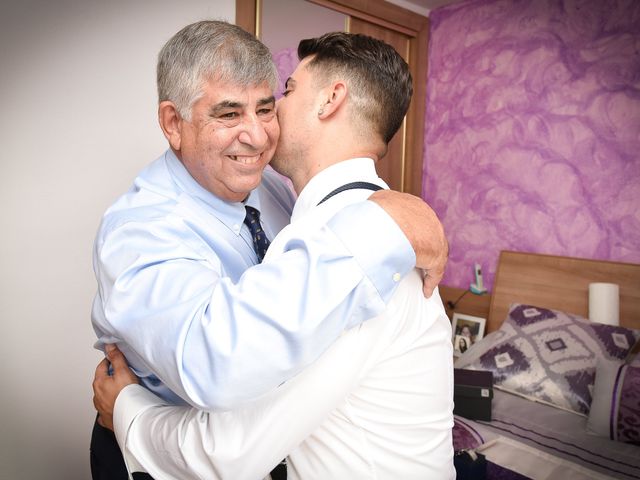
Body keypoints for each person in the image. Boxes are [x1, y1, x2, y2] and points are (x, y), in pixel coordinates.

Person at [89, 20, 448, 480]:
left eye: (268, 105)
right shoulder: (138, 228)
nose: (258, 137)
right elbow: (214, 363)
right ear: (173, 123)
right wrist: (127, 409)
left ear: (331, 100)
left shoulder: (284, 198)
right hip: (155, 455)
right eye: (228, 114)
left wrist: (390, 218)